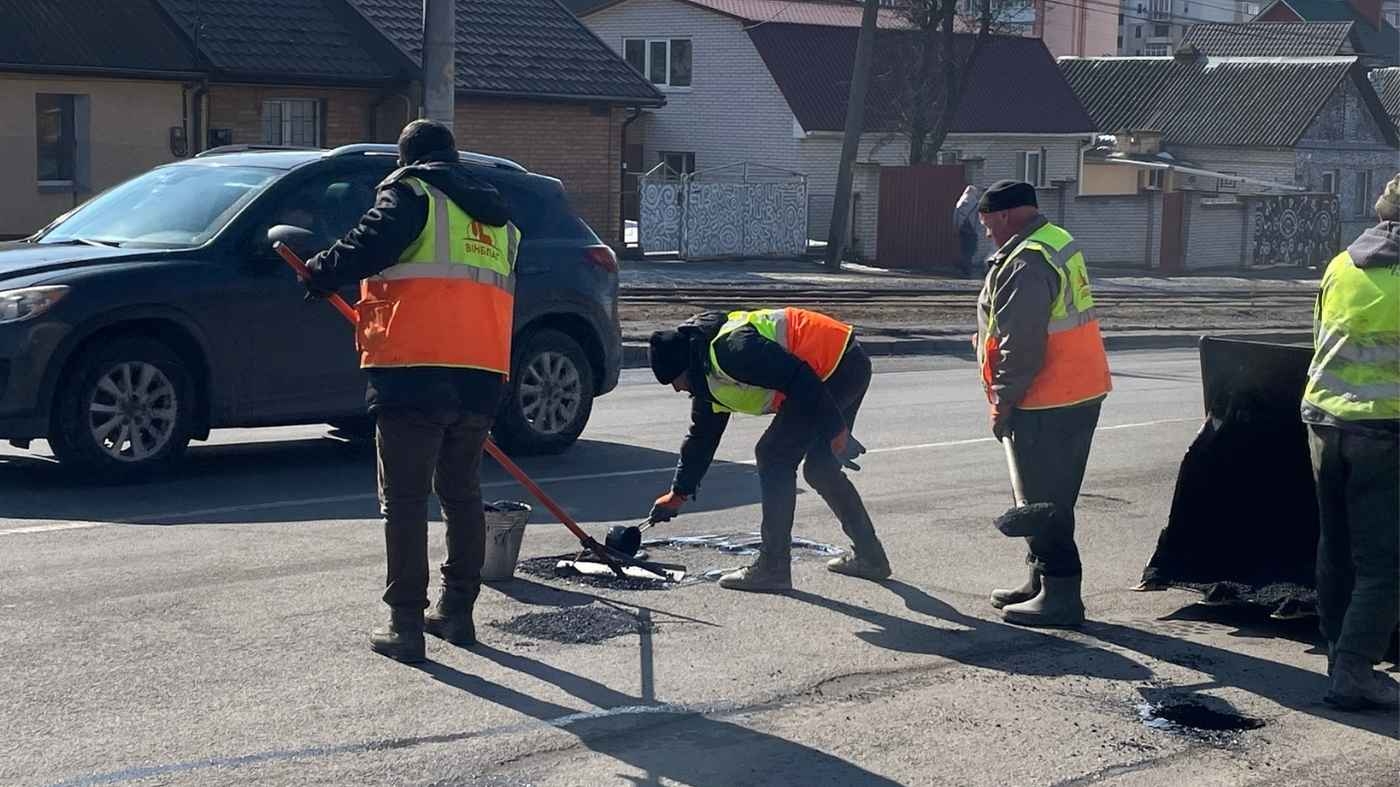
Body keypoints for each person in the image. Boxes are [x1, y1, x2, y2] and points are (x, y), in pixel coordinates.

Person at [301, 119, 518, 663]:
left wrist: (319, 272)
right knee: (461, 494)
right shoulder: (501, 220)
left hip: (414, 368)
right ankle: (457, 612)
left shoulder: (412, 192)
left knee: (403, 500)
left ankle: (406, 624)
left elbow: (366, 243)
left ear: (408, 159)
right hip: (481, 373)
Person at [647, 308, 890, 592]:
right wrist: (679, 493)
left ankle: (773, 567)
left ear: (687, 367)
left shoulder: (733, 350)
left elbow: (800, 377)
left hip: (836, 368)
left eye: (677, 382)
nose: (678, 390)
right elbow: (702, 436)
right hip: (840, 364)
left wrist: (836, 429)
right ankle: (871, 558)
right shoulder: (705, 371)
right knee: (820, 469)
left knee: (773, 456)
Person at [976, 180, 1111, 628]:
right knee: (1039, 495)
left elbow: (1023, 343)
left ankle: (1061, 595)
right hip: (1074, 389)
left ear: (1005, 216)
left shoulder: (1028, 261)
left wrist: (1003, 400)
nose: (987, 234)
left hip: (1050, 396)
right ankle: (1038, 580)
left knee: (1045, 499)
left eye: (988, 224)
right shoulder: (1053, 242)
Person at [1299, 173, 1400, 711]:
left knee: (1335, 549)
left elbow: (1319, 338)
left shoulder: (1340, 266)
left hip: (1323, 422)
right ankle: (1356, 672)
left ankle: (1339, 654)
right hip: (1384, 432)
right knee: (1386, 562)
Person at [953, 185, 982, 277]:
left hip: (962, 229)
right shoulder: (976, 203)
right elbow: (978, 218)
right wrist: (978, 230)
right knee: (971, 250)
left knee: (964, 249)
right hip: (972, 229)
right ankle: (966, 269)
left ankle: (964, 267)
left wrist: (957, 226)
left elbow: (955, 216)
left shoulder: (960, 202)